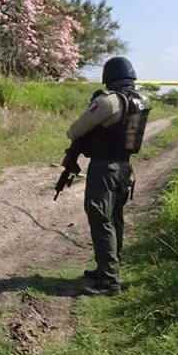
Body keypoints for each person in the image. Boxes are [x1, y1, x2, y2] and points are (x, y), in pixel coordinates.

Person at [66, 56, 148, 296]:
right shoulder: (139, 101)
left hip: (104, 168)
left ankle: (109, 281)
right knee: (114, 218)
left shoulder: (109, 102)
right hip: (124, 168)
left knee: (101, 219)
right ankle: (108, 268)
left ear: (108, 76)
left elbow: (75, 130)